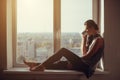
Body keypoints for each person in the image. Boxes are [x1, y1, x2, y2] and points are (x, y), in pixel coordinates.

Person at [23, 19, 104, 78]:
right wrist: (84, 38)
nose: (85, 30)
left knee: (63, 51)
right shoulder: (93, 39)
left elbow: (88, 57)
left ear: (92, 27)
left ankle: (39, 66)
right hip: (84, 65)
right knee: (60, 63)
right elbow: (84, 53)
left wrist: (73, 61)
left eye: (86, 28)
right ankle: (36, 64)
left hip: (88, 68)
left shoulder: (99, 40)